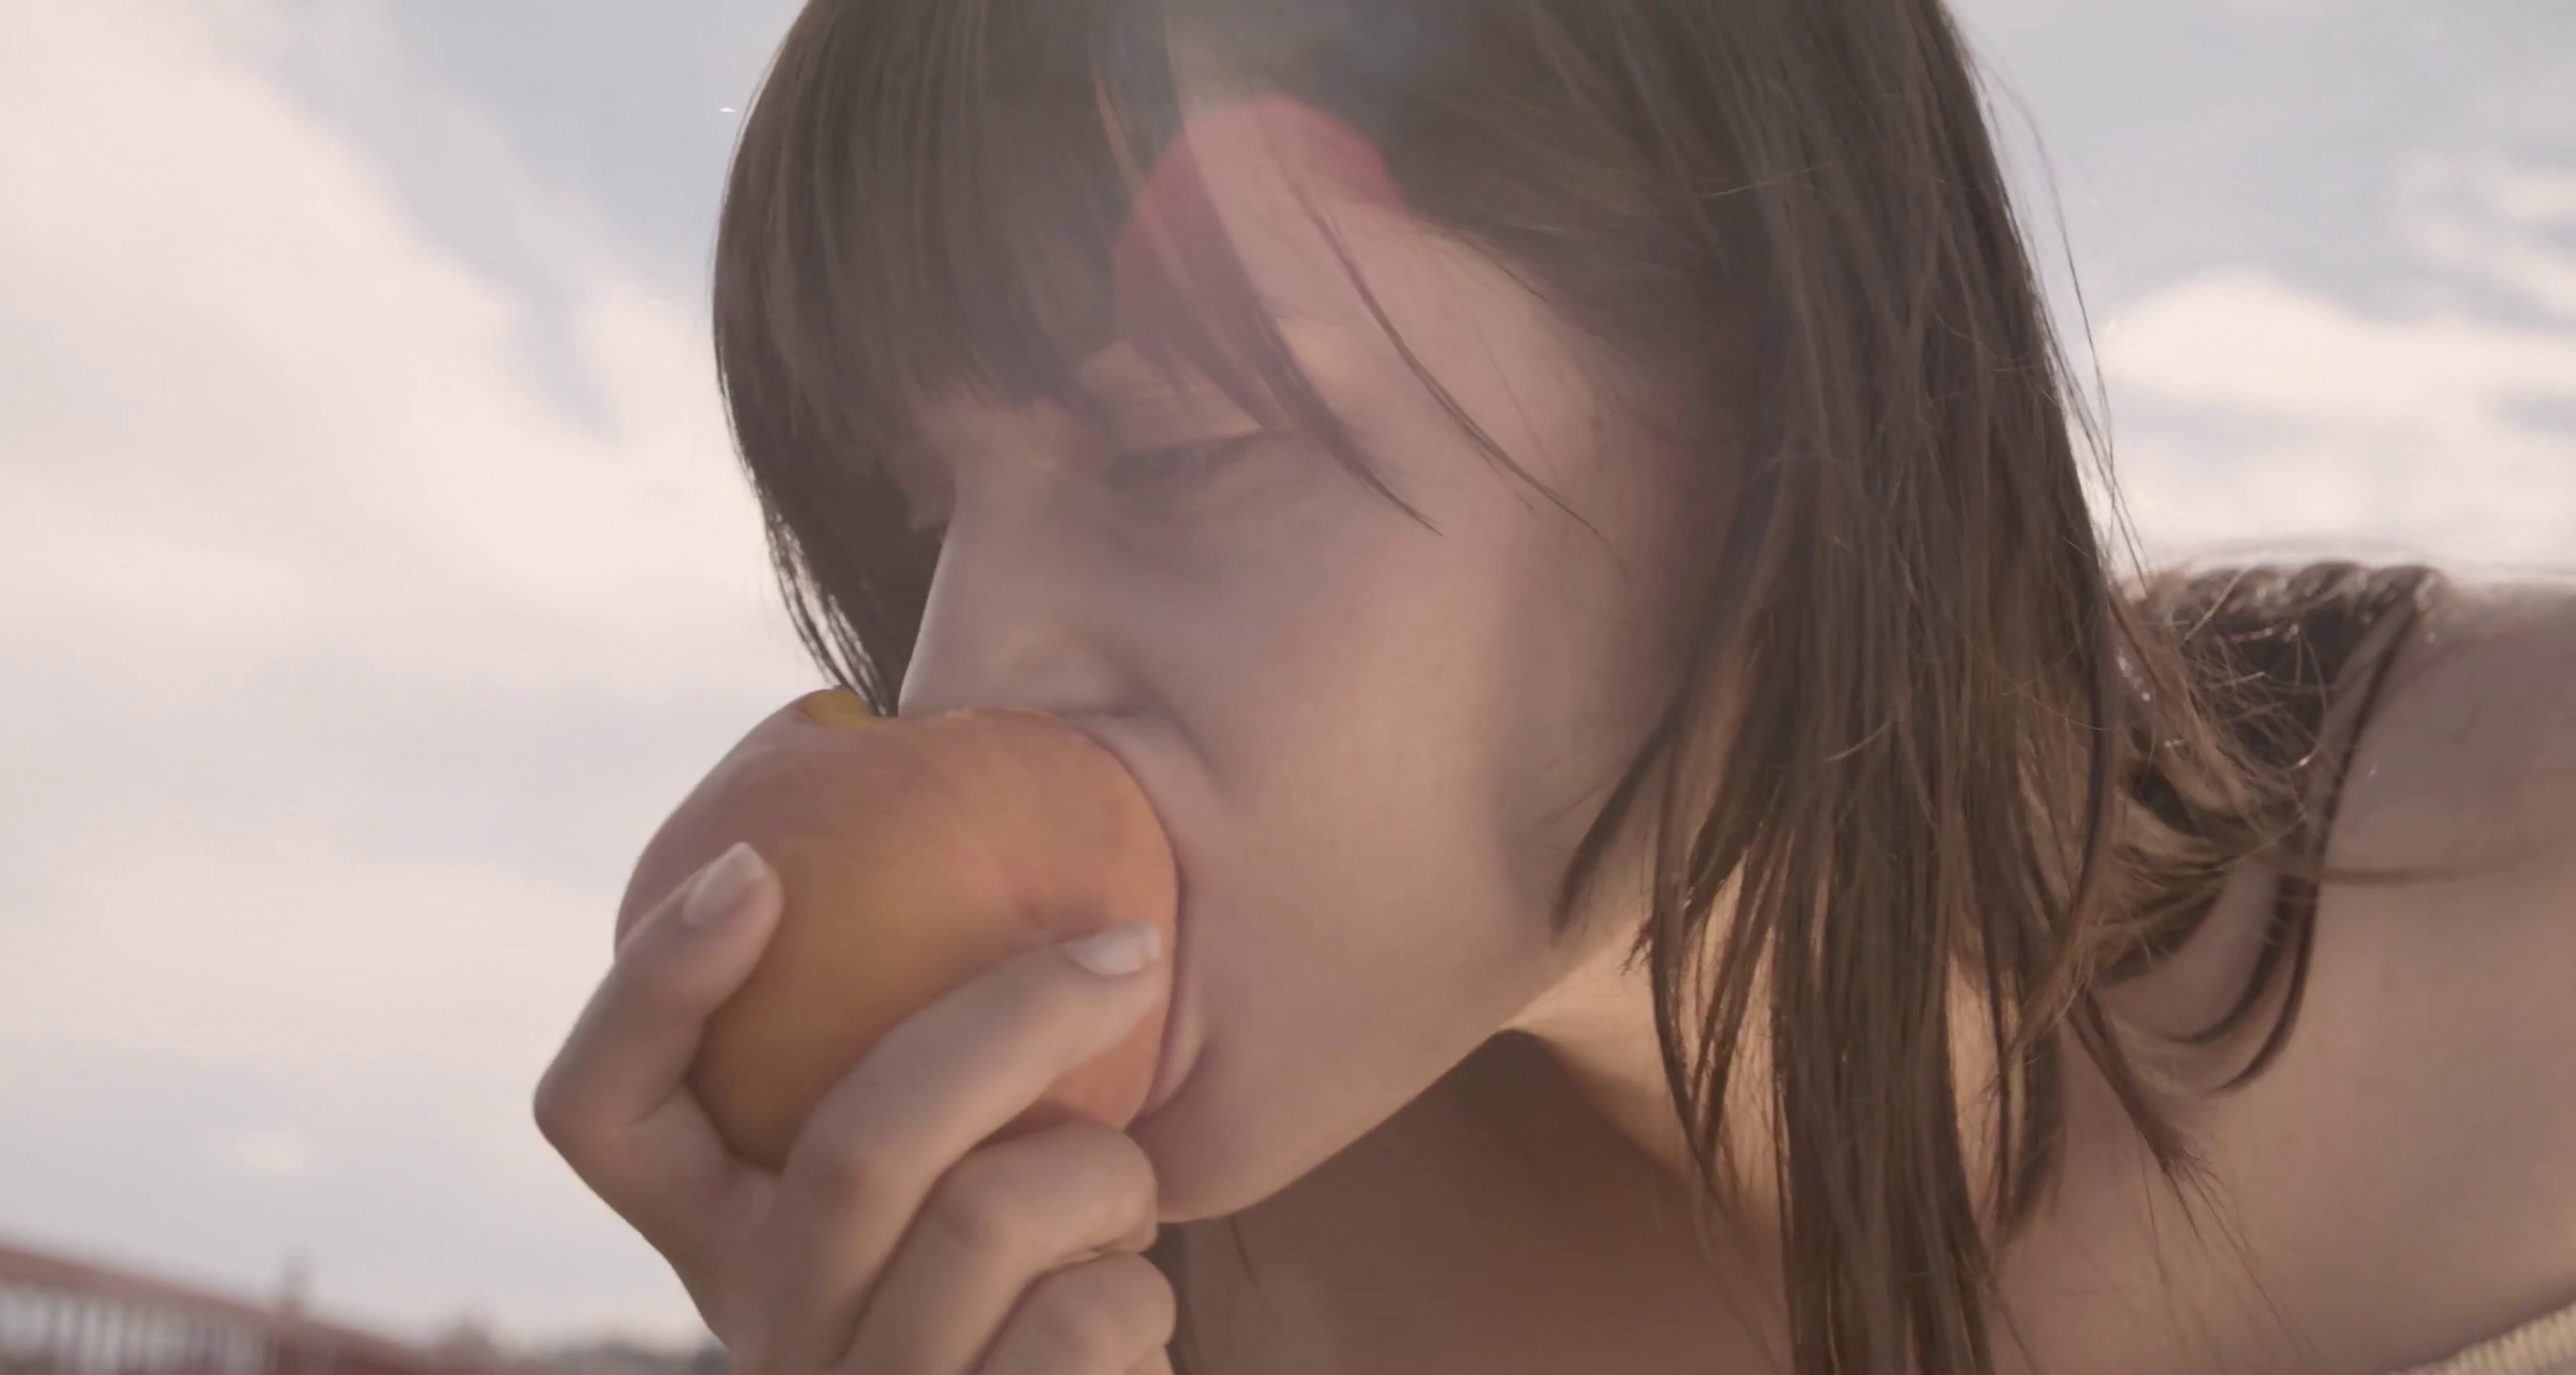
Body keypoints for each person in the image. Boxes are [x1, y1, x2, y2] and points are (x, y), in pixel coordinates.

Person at [530, 0, 2576, 1370]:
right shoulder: (1117, 1281)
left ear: (1765, 360)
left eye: (1171, 449)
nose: (962, 670)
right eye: (919, 537)